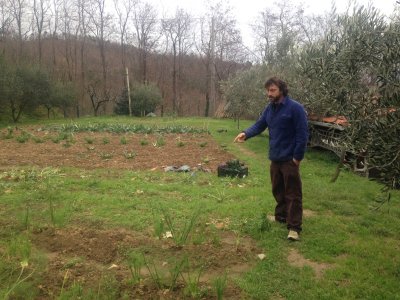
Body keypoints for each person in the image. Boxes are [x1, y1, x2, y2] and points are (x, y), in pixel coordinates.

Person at [234, 77, 308, 241]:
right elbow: (260, 124)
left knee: (293, 193)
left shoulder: (295, 108)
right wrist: (246, 134)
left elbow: (302, 135)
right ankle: (281, 217)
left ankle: (294, 227)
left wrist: (297, 158)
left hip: (290, 159)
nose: (269, 93)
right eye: (268, 90)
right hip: (275, 158)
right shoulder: (270, 109)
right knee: (278, 190)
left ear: (282, 90)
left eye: (272, 90)